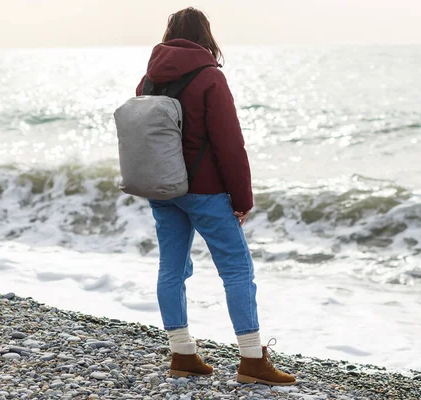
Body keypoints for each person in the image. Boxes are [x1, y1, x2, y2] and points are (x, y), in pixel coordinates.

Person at [135, 7, 296, 386]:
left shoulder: (148, 79)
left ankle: (182, 353)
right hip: (205, 192)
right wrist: (242, 198)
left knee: (171, 269)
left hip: (162, 189)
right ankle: (253, 360)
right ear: (205, 36)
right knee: (237, 269)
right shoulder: (209, 77)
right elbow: (229, 143)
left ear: (170, 33)